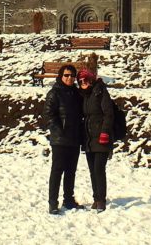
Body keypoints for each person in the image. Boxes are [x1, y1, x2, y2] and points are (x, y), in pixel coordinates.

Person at [44, 64, 85, 214]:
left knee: (71, 171)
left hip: (74, 138)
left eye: (72, 76)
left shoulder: (76, 93)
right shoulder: (54, 93)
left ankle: (68, 199)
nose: (69, 78)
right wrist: (59, 131)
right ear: (61, 76)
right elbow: (49, 115)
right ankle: (53, 203)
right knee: (57, 171)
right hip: (60, 139)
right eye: (66, 75)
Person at [77, 67, 114, 212]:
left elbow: (108, 114)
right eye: (80, 81)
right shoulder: (84, 95)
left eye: (85, 80)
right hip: (89, 138)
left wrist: (105, 132)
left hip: (101, 137)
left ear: (91, 80)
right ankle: (96, 198)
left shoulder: (100, 91)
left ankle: (101, 200)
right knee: (92, 170)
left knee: (99, 169)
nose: (83, 83)